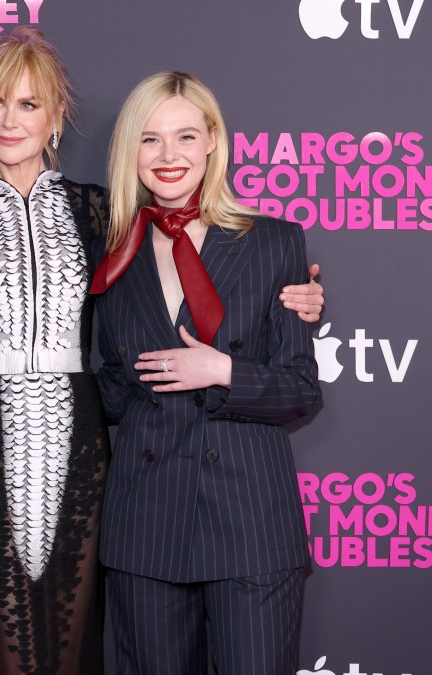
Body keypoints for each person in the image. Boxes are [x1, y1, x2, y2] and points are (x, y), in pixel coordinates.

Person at [0, 30, 324, 674]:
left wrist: (290, 311)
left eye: (29, 104)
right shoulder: (85, 232)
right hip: (85, 490)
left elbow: (296, 378)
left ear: (56, 118)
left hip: (191, 499)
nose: (10, 119)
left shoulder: (110, 219)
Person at [91, 71, 322, 675]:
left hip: (250, 525)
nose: (169, 157)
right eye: (150, 139)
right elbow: (108, 393)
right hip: (145, 527)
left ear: (214, 140)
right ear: (129, 151)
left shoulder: (274, 242)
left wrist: (223, 369)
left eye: (185, 136)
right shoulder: (111, 253)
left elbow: (300, 390)